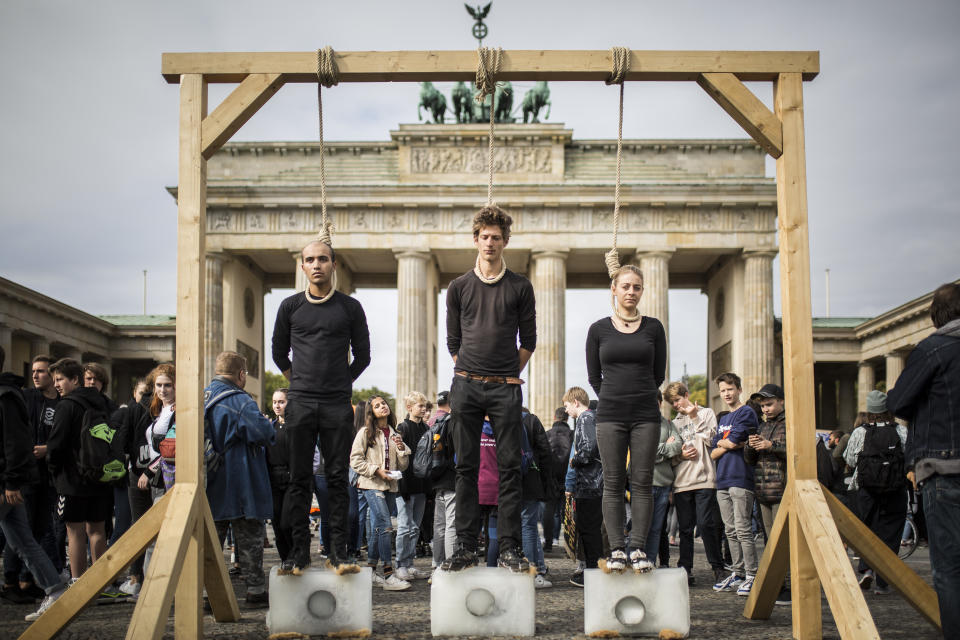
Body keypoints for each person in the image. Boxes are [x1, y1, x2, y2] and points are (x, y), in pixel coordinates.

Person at [442, 205, 537, 573]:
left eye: (497, 237)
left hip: (505, 388)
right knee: (464, 467)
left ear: (505, 241)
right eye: (485, 237)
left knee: (511, 468)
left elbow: (528, 339)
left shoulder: (520, 286)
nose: (491, 243)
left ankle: (511, 548)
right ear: (476, 240)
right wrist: (469, 373)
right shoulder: (459, 287)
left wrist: (507, 373)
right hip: (465, 385)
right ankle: (464, 547)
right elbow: (453, 341)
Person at [272, 239, 371, 574]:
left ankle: (339, 552)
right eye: (310, 260)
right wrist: (298, 380)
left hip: (336, 404)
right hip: (300, 402)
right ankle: (298, 553)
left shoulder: (350, 308)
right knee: (299, 480)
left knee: (337, 479)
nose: (317, 265)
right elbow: (278, 353)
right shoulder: (289, 307)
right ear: (302, 266)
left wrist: (341, 382)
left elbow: (364, 356)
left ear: (334, 265)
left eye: (323, 259)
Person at [887, 282, 960, 631]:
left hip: (946, 470)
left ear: (937, 314)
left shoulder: (934, 349)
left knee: (949, 567)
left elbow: (898, 402)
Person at [585, 263, 666, 573]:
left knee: (643, 482)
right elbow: (594, 376)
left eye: (636, 287)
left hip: (646, 413)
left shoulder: (654, 328)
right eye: (626, 286)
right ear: (614, 290)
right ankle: (617, 549)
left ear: (642, 291)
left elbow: (657, 374)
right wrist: (614, 395)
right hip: (610, 415)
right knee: (613, 482)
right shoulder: (598, 329)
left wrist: (639, 394)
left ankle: (639, 550)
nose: (631, 292)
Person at [0, 346, 68, 622]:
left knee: (24, 540)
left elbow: (15, 442)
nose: (36, 376)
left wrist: (13, 481)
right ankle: (55, 588)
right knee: (22, 541)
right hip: (11, 480)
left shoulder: (6, 397)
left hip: (7, 482)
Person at [203, 351, 275, 607]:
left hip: (208, 481)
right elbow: (263, 432)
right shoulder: (238, 401)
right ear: (241, 375)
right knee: (249, 539)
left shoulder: (202, 396)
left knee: (211, 543)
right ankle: (255, 590)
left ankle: (209, 594)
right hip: (239, 480)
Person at [45, 358, 113, 583]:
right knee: (98, 529)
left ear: (75, 379)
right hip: (99, 476)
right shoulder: (102, 402)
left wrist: (54, 472)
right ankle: (100, 582)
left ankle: (78, 583)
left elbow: (55, 445)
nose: (56, 384)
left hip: (72, 479)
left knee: (74, 532)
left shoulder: (67, 405)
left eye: (60, 379)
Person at [844, 390, 907, 596]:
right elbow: (909, 456)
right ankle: (884, 580)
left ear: (869, 410)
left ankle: (866, 569)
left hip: (867, 489)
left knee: (866, 529)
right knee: (891, 532)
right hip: (895, 488)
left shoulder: (860, 432)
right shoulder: (900, 431)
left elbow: (850, 459)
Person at [664, 381, 725, 585]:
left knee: (707, 524)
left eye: (678, 399)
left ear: (687, 395)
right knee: (685, 528)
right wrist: (680, 455)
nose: (676, 405)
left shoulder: (706, 413)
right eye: (672, 403)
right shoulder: (674, 424)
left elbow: (712, 440)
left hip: (705, 478)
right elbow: (671, 457)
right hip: (682, 482)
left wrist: (694, 416)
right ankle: (685, 568)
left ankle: (717, 567)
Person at [349, 396, 411, 590]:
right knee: (385, 525)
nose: (382, 406)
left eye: (384, 403)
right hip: (370, 484)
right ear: (371, 412)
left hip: (391, 486)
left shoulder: (394, 433)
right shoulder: (365, 432)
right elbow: (355, 460)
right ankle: (388, 574)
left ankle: (370, 570)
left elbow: (404, 465)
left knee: (377, 528)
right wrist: (376, 470)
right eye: (377, 406)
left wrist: (401, 450)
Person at [710, 372, 759, 596]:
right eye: (723, 390)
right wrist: (728, 444)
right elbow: (714, 451)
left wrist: (728, 444)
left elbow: (729, 443)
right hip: (722, 479)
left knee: (743, 529)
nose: (727, 394)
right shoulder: (723, 419)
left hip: (740, 477)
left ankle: (752, 574)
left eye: (730, 389)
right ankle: (738, 571)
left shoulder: (746, 412)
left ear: (739, 389)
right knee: (729, 530)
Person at [743, 383, 790, 604]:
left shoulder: (790, 424)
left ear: (781, 401)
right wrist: (750, 447)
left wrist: (771, 445)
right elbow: (749, 460)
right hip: (763, 491)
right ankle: (777, 585)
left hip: (783, 489)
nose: (766, 409)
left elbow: (797, 452)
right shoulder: (761, 427)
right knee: (770, 541)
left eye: (769, 404)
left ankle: (788, 585)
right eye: (763, 406)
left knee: (783, 541)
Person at [117, 375, 154, 598]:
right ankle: (135, 576)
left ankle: (141, 578)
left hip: (154, 473)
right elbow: (123, 439)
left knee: (143, 525)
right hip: (138, 472)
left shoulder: (161, 412)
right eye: (143, 393)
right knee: (139, 524)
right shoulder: (131, 411)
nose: (146, 398)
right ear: (134, 393)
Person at [563, 387, 603, 587]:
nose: (566, 410)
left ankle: (593, 571)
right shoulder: (590, 418)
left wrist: (574, 460)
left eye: (567, 405)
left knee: (589, 530)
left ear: (576, 402)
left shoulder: (585, 419)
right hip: (592, 483)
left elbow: (588, 449)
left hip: (590, 484)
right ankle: (593, 568)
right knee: (590, 530)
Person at [644, 391, 682, 575]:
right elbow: (643, 450)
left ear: (659, 403)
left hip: (663, 484)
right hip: (642, 484)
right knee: (641, 527)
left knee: (657, 528)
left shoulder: (668, 424)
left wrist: (656, 452)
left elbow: (677, 447)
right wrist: (665, 448)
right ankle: (636, 562)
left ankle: (649, 564)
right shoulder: (639, 425)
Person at [395, 391, 429, 581]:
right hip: (406, 484)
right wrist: (402, 487)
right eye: (420, 406)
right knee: (405, 527)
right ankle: (400, 564)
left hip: (422, 485)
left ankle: (409, 563)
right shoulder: (403, 428)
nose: (423, 409)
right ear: (409, 408)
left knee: (415, 528)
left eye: (424, 406)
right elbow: (399, 459)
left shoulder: (426, 427)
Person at [520, 408, 554, 588]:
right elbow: (545, 452)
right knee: (529, 526)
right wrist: (547, 483)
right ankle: (532, 572)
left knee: (501, 528)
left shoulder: (494, 418)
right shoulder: (531, 420)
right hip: (530, 480)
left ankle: (536, 567)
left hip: (502, 480)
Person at [428, 391, 456, 573]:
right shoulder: (456, 423)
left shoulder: (436, 423)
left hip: (437, 477)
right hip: (454, 478)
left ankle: (437, 564)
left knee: (439, 525)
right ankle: (450, 566)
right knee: (452, 524)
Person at [265, 388, 292, 566]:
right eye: (275, 402)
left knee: (287, 521)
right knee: (276, 522)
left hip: (291, 478)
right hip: (273, 479)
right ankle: (285, 558)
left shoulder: (297, 427)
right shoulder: (269, 427)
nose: (277, 405)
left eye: (281, 402)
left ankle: (294, 556)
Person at [542, 406, 571, 552]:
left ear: (554, 417)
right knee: (568, 513)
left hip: (551, 478)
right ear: (567, 418)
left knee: (549, 511)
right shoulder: (572, 435)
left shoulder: (546, 434)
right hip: (568, 478)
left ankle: (548, 542)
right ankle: (569, 545)